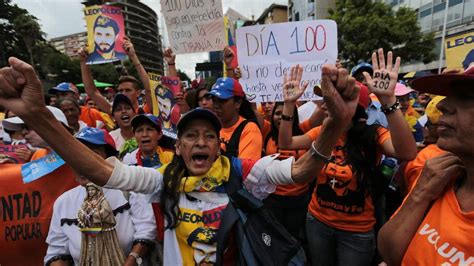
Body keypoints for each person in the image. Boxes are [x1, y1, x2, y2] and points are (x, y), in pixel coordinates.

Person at [0, 56, 361, 265]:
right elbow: (99, 169)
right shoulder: (163, 180)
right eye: (190, 135)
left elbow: (301, 169)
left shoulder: (242, 173)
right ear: (180, 146)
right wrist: (37, 117)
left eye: (209, 134)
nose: (200, 141)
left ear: (219, 145)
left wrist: (335, 125)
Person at [278, 49, 417, 266]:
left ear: (356, 107)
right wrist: (288, 105)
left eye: (334, 99)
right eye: (327, 98)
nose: (326, 103)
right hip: (317, 222)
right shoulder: (323, 133)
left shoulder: (374, 134)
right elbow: (286, 143)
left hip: (356, 232)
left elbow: (407, 153)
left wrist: (388, 100)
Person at [378, 65, 474, 266]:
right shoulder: (438, 175)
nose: (441, 105)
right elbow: (388, 253)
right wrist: (420, 193)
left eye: (465, 97)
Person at [45, 127, 156, 266]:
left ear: (109, 160)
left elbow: (146, 230)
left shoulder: (129, 189)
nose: (82, 163)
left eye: (92, 155)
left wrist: (131, 260)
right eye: (76, 156)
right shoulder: (63, 202)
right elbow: (57, 251)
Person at [79, 37, 152, 115]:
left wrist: (133, 56)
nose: (123, 93)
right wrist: (83, 61)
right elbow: (92, 92)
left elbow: (149, 89)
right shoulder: (115, 111)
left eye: (128, 90)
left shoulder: (146, 111)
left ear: (138, 93)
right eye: (120, 91)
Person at [206, 77, 263, 160]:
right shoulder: (209, 127)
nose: (216, 106)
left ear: (238, 103)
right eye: (214, 100)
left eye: (222, 100)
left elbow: (244, 169)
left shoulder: (250, 129)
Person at [48, 82, 113, 130]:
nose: (60, 98)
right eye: (58, 95)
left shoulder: (92, 113)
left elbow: (103, 136)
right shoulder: (53, 115)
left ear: (76, 96)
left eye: (64, 94)